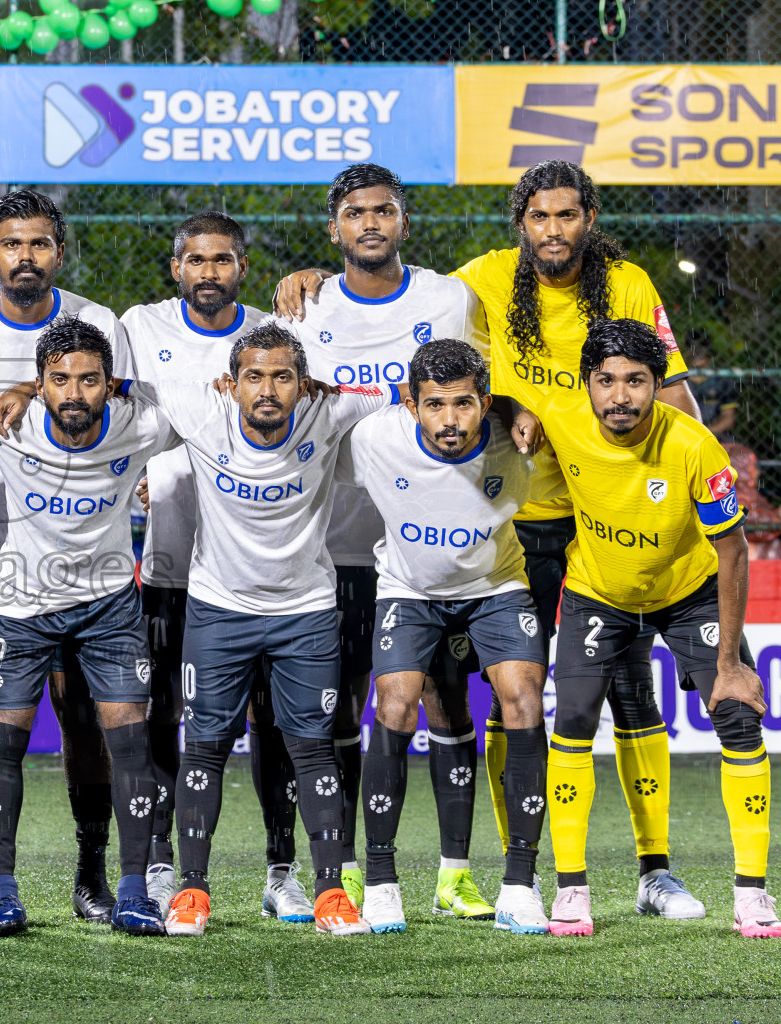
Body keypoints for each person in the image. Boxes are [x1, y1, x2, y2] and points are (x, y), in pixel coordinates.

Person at [274, 160, 707, 918]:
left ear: (589, 218)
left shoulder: (630, 283)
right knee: (515, 701)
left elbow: (667, 388)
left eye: (567, 216)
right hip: (519, 519)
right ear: (520, 222)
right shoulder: (478, 282)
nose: (552, 230)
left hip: (610, 512)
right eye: (539, 217)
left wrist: (698, 481)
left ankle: (655, 871)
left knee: (634, 691)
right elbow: (375, 281)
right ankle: (523, 876)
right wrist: (312, 278)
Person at [123, 321, 397, 937]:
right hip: (218, 611)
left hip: (305, 613)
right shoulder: (200, 407)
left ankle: (331, 895)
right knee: (206, 747)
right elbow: (117, 385)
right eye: (254, 377)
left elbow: (408, 391)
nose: (267, 390)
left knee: (313, 749)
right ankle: (191, 892)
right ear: (231, 383)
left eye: (282, 377)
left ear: (304, 384)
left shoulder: (332, 408)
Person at [516, 319, 778, 939]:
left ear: (658, 387)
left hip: (687, 594)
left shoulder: (694, 446)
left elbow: (734, 550)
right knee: (574, 719)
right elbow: (504, 397)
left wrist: (733, 663)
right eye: (605, 381)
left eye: (636, 381)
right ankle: (573, 889)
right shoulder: (562, 413)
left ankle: (753, 895)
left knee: (739, 714)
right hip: (597, 593)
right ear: (586, 384)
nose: (619, 397)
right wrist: (516, 409)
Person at [282, 163, 496, 919]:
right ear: (334, 227)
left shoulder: (447, 298)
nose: (370, 224)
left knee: (444, 701)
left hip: (432, 548)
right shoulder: (301, 311)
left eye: (384, 211)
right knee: (342, 709)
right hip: (332, 544)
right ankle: (345, 875)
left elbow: (481, 396)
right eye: (355, 213)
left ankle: (454, 872)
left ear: (403, 221)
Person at [0, 189, 138, 923]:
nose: (26, 257)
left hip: (79, 564)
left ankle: (90, 872)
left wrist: (24, 387)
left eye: (40, 243)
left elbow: (124, 401)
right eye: (12, 245)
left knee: (85, 721)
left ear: (59, 251)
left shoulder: (98, 324)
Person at [118, 211, 307, 922]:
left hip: (260, 569)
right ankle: (164, 865)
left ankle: (280, 870)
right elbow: (104, 400)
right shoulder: (140, 326)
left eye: (222, 260)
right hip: (171, 563)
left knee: (274, 720)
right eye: (196, 260)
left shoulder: (273, 334)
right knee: (169, 716)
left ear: (242, 268)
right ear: (177, 268)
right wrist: (138, 470)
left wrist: (313, 281)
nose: (208, 272)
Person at [0, 316, 176, 937]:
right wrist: (19, 393)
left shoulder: (145, 423)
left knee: (128, 746)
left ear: (109, 384)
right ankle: (2, 891)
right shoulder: (7, 423)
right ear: (40, 384)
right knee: (2, 748)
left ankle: (133, 890)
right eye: (58, 381)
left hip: (109, 606)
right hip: (21, 605)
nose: (74, 394)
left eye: (90, 380)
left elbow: (184, 397)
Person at [339, 340, 548, 935]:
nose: (449, 420)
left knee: (524, 700)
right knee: (396, 703)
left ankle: (520, 884)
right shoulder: (376, 437)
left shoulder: (519, 440)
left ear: (485, 401)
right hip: (409, 589)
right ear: (411, 403)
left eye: (463, 404)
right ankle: (380, 881)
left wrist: (517, 408)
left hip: (496, 586)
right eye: (434, 405)